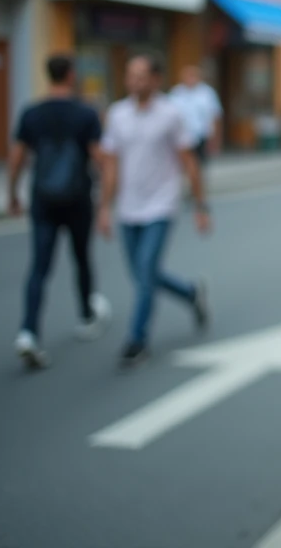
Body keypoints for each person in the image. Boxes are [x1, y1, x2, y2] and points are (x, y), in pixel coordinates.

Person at [98, 55, 212, 366]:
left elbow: (189, 161)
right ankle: (191, 293)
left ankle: (137, 340)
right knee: (142, 274)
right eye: (130, 75)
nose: (134, 81)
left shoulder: (171, 114)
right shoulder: (117, 114)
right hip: (128, 207)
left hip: (161, 204)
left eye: (141, 75)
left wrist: (200, 206)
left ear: (156, 80)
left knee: (146, 271)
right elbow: (110, 164)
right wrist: (104, 207)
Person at [7, 54, 112, 369]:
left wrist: (12, 193)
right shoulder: (85, 114)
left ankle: (28, 331)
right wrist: (108, 196)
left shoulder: (32, 113)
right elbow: (99, 157)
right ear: (70, 75)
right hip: (78, 198)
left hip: (43, 198)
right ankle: (86, 316)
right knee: (81, 258)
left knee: (39, 267)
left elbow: (17, 157)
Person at [169, 65, 222, 165]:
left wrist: (215, 140)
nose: (190, 78)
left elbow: (216, 116)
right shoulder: (176, 93)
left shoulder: (207, 93)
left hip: (202, 136)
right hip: (181, 136)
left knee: (200, 165)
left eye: (193, 75)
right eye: (188, 76)